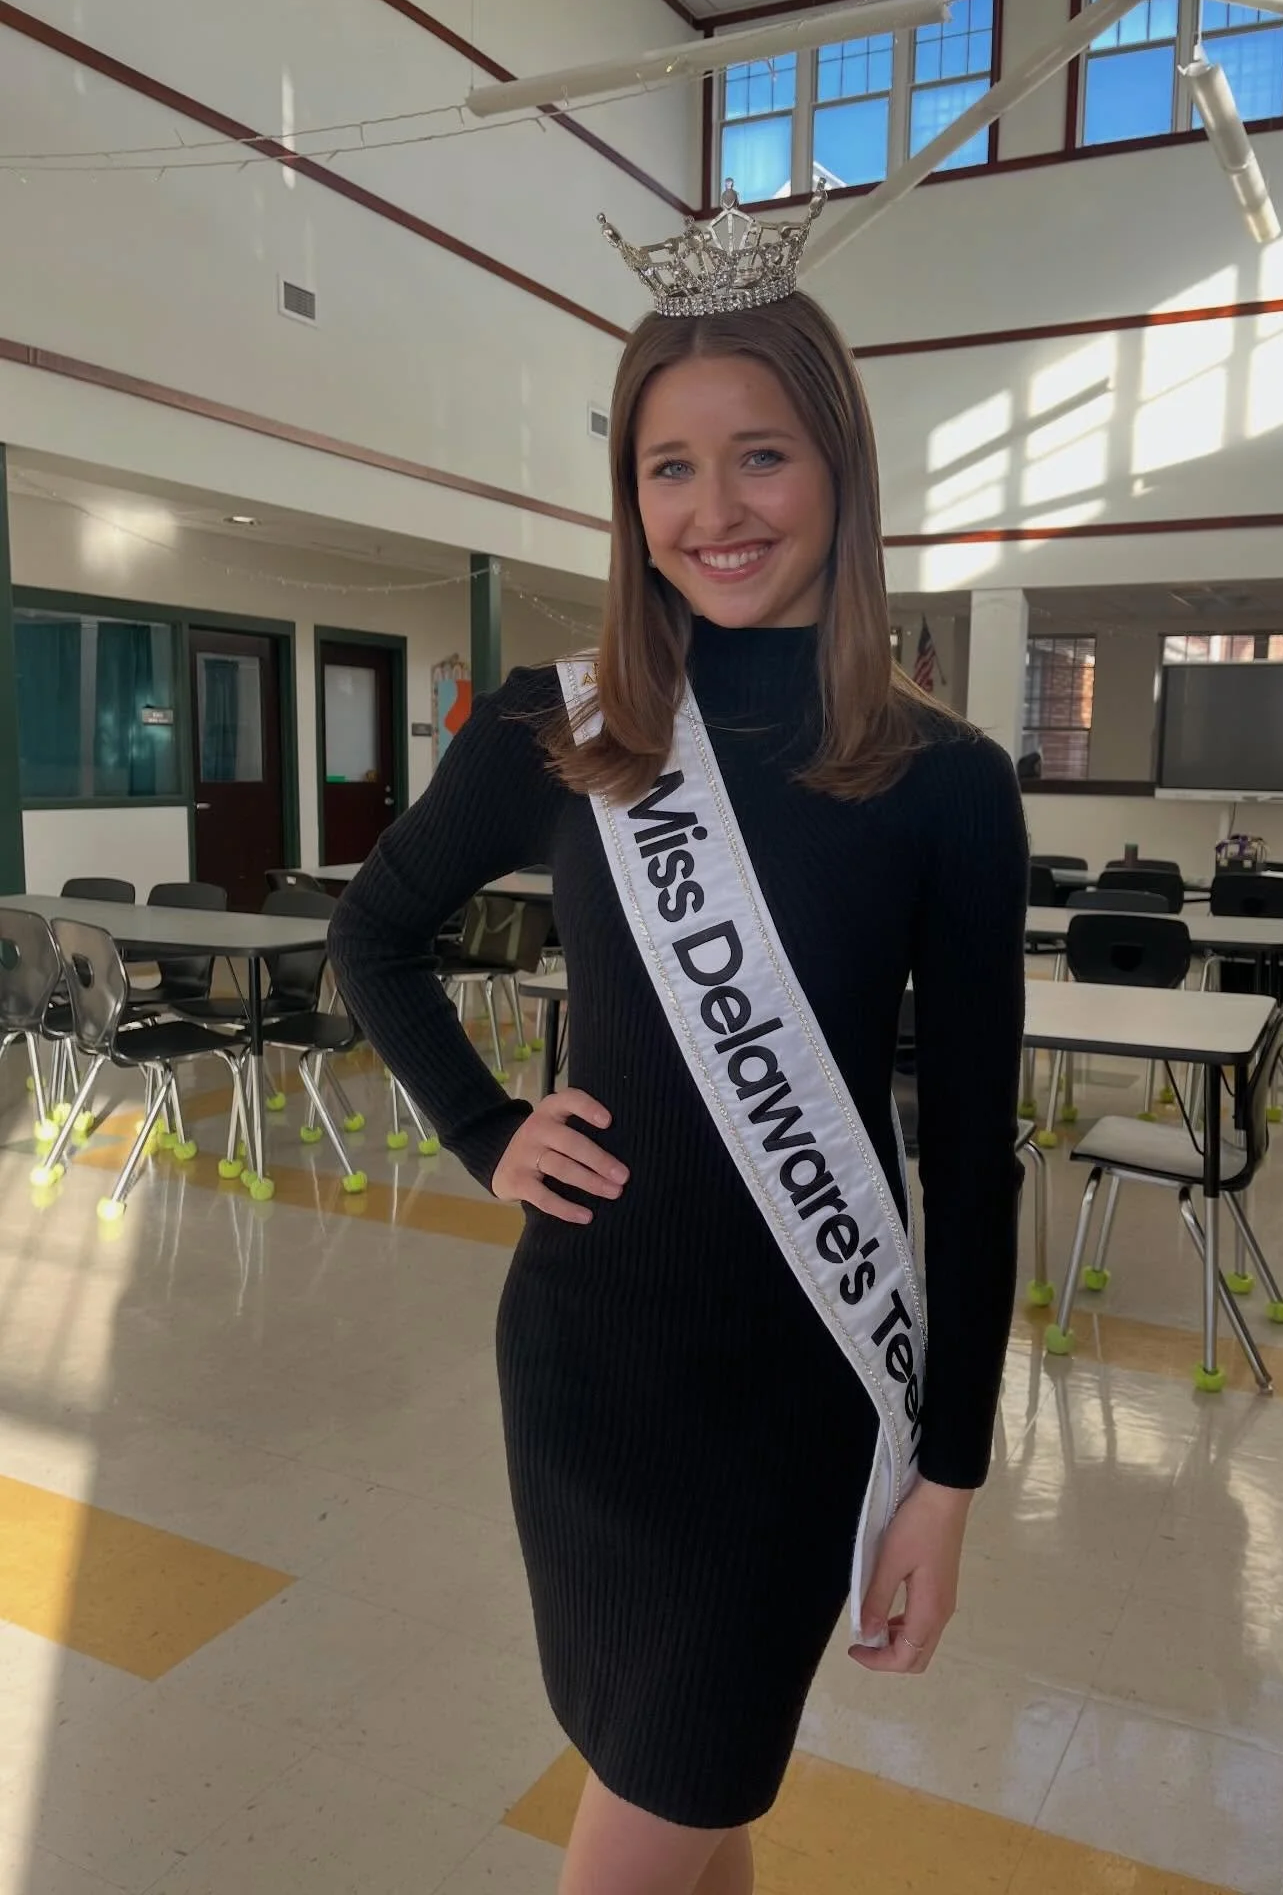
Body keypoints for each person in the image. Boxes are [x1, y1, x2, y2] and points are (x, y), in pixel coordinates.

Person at [328, 181, 1028, 1895]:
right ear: (629, 497)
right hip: (585, 1370)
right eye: (669, 465)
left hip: (793, 1399)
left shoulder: (947, 783)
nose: (715, 509)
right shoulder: (558, 729)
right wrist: (486, 1129)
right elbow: (375, 932)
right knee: (680, 1793)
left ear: (840, 471)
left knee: (668, 1793)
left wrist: (947, 1478)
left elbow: (971, 1157)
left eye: (762, 454)